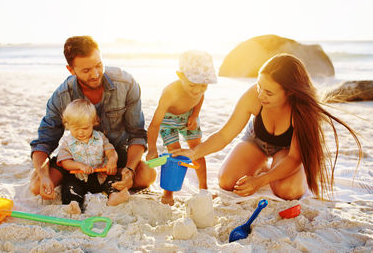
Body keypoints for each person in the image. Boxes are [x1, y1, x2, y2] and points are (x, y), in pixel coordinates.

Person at [172, 53, 362, 200]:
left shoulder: (303, 112)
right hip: (256, 142)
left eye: (269, 92)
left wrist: (260, 181)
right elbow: (224, 136)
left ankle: (284, 171)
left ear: (289, 92)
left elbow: (294, 157)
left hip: (288, 152)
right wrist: (194, 153)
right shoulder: (254, 96)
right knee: (228, 182)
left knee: (288, 192)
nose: (261, 95)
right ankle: (261, 164)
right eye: (259, 86)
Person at [29, 35, 156, 200]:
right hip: (76, 160)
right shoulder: (61, 97)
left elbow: (137, 134)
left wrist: (130, 170)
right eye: (86, 70)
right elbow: (44, 143)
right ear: (71, 70)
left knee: (147, 176)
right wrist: (44, 176)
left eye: (98, 65)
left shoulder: (126, 84)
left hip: (113, 156)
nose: (96, 74)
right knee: (37, 186)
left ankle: (117, 180)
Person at [146, 50, 217, 205]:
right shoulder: (170, 93)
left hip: (189, 117)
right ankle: (168, 193)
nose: (198, 90)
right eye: (192, 85)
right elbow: (154, 124)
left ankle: (204, 189)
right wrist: (152, 148)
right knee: (175, 155)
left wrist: (194, 115)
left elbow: (200, 97)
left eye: (204, 85)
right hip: (168, 120)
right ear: (180, 76)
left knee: (198, 151)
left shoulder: (199, 89)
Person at [58, 99, 129, 212]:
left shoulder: (100, 137)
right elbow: (65, 163)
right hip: (79, 178)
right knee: (70, 186)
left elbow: (110, 150)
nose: (80, 132)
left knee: (113, 181)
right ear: (67, 124)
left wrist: (112, 160)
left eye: (85, 128)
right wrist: (79, 165)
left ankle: (114, 196)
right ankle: (74, 204)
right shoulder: (67, 142)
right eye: (75, 129)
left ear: (94, 122)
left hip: (101, 176)